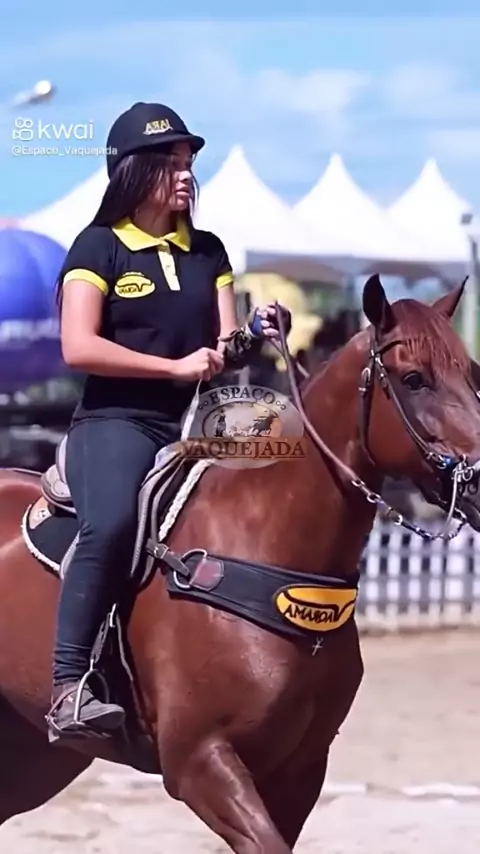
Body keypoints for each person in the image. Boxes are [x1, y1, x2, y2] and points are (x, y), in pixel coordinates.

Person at [46, 102, 291, 743]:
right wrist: (173, 367)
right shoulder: (98, 246)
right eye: (170, 163)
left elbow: (226, 345)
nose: (185, 174)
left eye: (188, 163)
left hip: (195, 424)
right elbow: (78, 345)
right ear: (132, 171)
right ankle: (69, 687)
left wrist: (256, 331)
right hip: (116, 420)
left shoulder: (208, 251)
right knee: (110, 524)